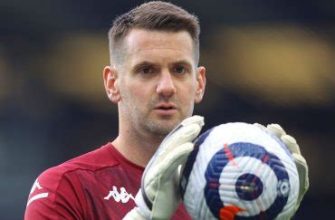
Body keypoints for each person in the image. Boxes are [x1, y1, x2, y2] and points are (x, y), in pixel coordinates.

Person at [25, 1, 308, 219]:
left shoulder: (237, 190)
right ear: (113, 83)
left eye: (179, 70)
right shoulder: (66, 187)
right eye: (146, 70)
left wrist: (275, 206)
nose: (166, 86)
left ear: (199, 83)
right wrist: (144, 213)